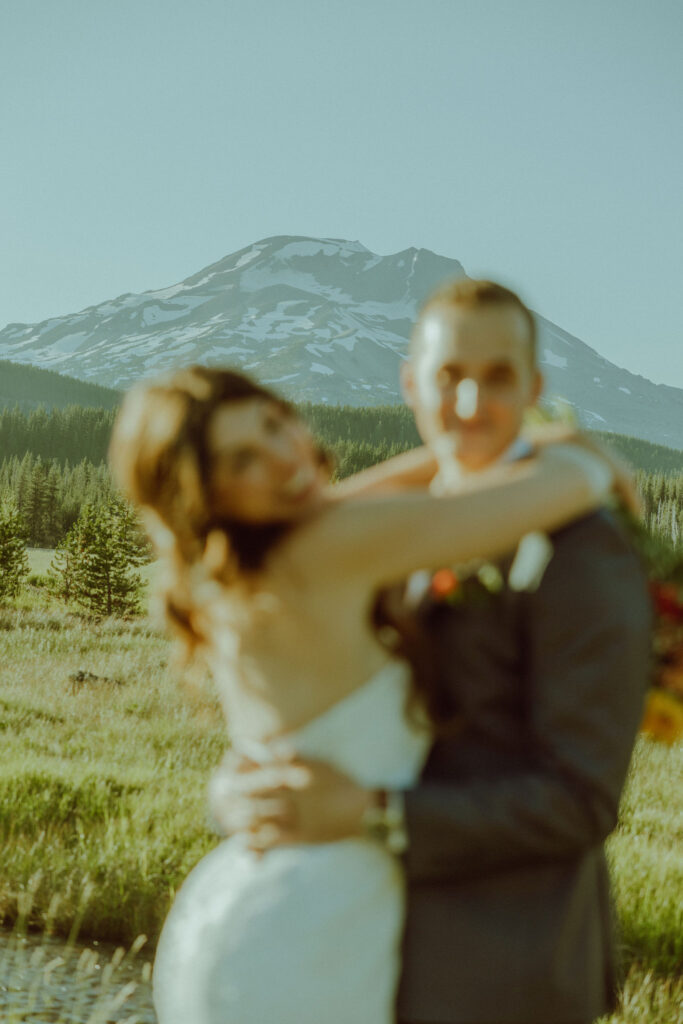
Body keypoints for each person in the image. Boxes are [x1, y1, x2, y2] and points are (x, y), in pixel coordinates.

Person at [110, 361, 626, 1024]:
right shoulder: (324, 550)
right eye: (241, 459)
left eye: (274, 423)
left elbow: (375, 488)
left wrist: (530, 442)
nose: (283, 456)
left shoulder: (245, 565)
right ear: (199, 492)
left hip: (264, 912)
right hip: (305, 928)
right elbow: (551, 490)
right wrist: (585, 455)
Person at [211, 281, 652, 1024]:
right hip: (360, 948)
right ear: (411, 384)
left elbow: (579, 801)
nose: (472, 405)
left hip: (507, 969)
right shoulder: (395, 535)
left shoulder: (584, 551)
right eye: (450, 376)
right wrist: (245, 784)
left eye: (498, 377)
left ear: (535, 388)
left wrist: (373, 812)